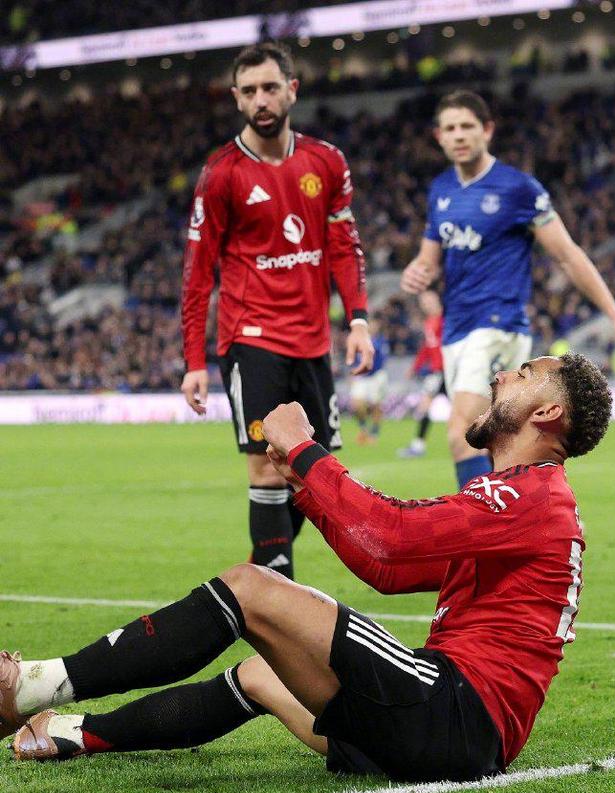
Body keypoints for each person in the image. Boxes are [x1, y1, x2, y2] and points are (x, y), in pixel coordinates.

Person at [4, 352, 613, 782]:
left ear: (546, 412)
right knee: (260, 675)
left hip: (456, 713)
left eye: (524, 374)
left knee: (251, 587)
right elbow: (388, 571)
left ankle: (32, 685)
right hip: (448, 730)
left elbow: (393, 538)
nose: (502, 375)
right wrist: (305, 486)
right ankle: (75, 732)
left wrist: (305, 448)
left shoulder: (532, 498)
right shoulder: (525, 500)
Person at [180, 41, 374, 580]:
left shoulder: (326, 161)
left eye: (269, 87)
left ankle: (261, 572)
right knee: (267, 470)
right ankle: (276, 595)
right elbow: (198, 273)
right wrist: (194, 359)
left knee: (312, 472)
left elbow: (344, 246)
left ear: (292, 89)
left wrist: (358, 320)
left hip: (313, 342)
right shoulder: (221, 173)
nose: (260, 100)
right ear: (236, 99)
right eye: (249, 91)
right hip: (252, 338)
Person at [400, 90, 615, 490]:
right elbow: (427, 260)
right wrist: (416, 271)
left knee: (464, 432)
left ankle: (478, 527)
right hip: (456, 327)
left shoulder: (518, 188)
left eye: (467, 126)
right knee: (492, 443)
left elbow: (567, 254)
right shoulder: (441, 190)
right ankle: (518, 519)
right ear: (438, 136)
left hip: (497, 321)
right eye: (450, 128)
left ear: (487, 130)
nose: (459, 135)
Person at [397, 290, 445, 458]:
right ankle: (418, 446)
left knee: (466, 410)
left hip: (450, 371)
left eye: (429, 301)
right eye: (424, 303)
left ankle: (484, 444)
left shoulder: (446, 320)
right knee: (424, 406)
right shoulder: (430, 322)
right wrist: (415, 367)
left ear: (437, 299)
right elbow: (427, 347)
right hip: (437, 372)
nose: (426, 305)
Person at [349, 315, 389, 444]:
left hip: (376, 376)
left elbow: (380, 359)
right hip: (361, 376)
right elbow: (354, 359)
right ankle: (363, 430)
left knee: (376, 405)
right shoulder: (358, 340)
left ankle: (374, 433)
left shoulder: (381, 341)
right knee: (357, 404)